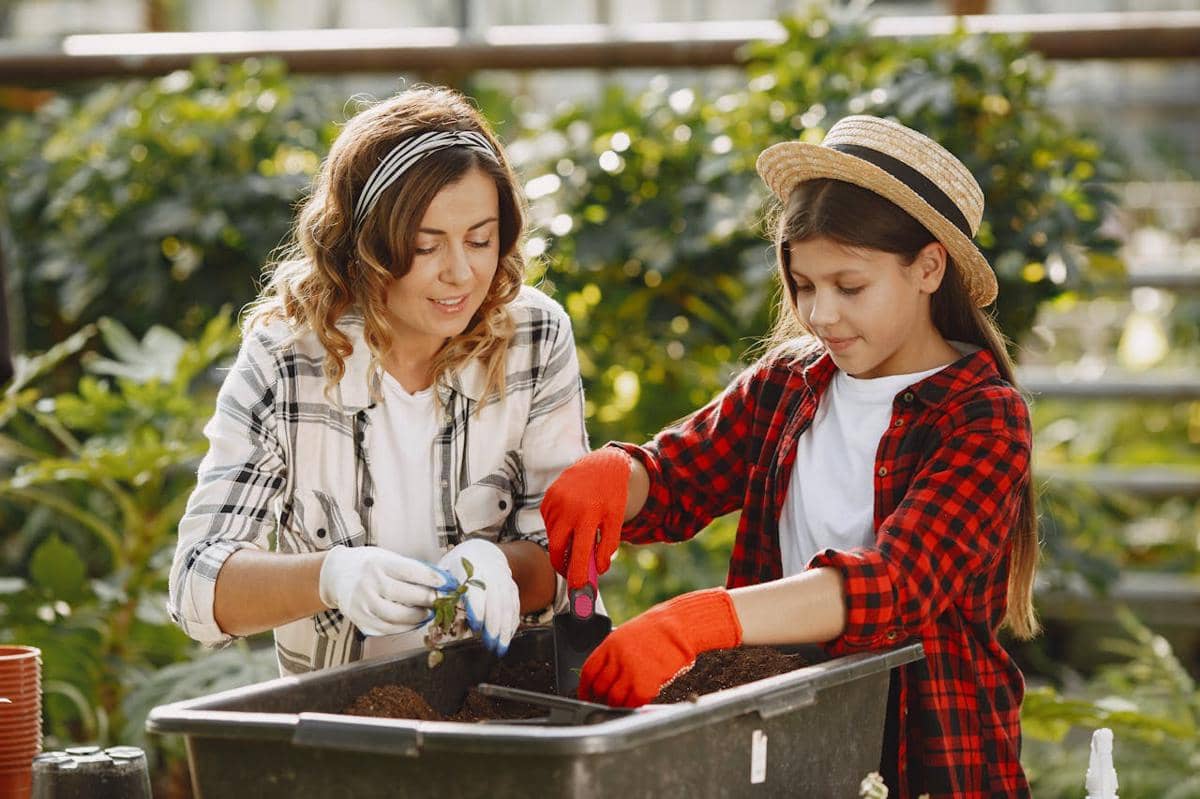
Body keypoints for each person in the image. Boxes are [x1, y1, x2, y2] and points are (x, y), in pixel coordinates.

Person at [541, 116, 1038, 798]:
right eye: (804, 285)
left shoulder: (982, 416)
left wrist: (703, 621)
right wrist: (616, 477)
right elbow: (677, 478)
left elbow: (897, 583)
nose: (821, 313)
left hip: (929, 753)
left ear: (928, 267)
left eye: (849, 286)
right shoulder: (790, 384)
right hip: (783, 744)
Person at [169, 86, 587, 674]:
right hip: (347, 726)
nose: (460, 272)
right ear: (363, 245)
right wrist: (332, 577)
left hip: (504, 704)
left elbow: (571, 563)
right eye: (424, 245)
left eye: (480, 239)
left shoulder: (533, 338)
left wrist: (496, 565)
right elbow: (195, 588)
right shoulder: (287, 362)